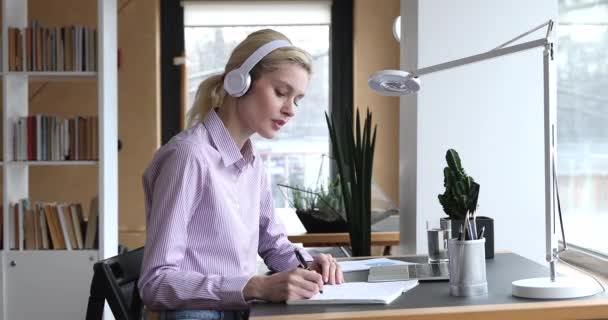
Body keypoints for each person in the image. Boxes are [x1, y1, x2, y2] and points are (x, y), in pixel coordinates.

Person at [138, 29, 344, 320]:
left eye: (297, 99)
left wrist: (310, 267)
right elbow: (155, 284)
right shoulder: (189, 156)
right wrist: (256, 286)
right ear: (239, 82)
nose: (290, 110)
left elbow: (273, 244)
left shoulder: (251, 160)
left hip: (240, 309)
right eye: (281, 92)